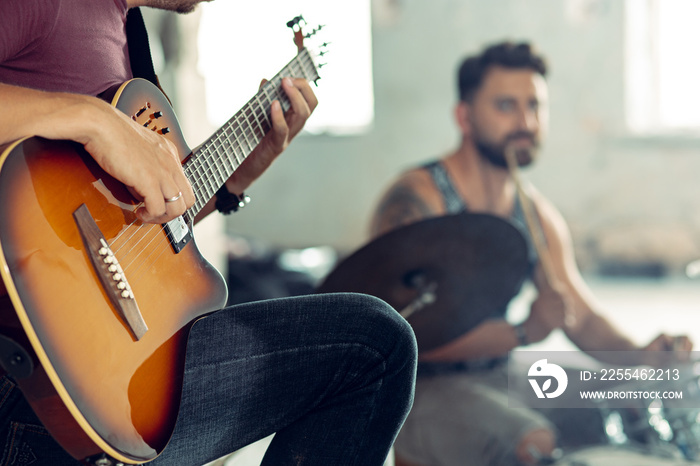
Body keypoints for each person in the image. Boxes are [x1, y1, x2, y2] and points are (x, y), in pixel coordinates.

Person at [0, 0, 417, 465]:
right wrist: (93, 119)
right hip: (25, 372)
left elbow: (136, 230)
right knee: (371, 349)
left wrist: (236, 179)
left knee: (376, 348)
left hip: (112, 384)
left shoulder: (127, 35)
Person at [369, 41, 692, 466]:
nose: (526, 122)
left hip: (502, 376)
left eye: (535, 106)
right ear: (464, 116)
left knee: (632, 401)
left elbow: (581, 314)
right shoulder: (420, 199)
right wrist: (522, 333)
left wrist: (641, 354)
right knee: (533, 441)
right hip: (420, 390)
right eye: (506, 106)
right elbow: (403, 335)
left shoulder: (534, 211)